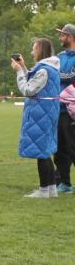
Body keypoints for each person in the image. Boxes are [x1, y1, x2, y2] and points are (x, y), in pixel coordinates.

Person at [13, 38, 61, 198]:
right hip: (47, 113)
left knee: (42, 153)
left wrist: (19, 71)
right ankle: (51, 189)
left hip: (40, 114)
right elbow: (34, 81)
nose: (32, 52)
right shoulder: (49, 68)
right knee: (45, 151)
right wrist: (24, 67)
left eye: (34, 48)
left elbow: (28, 89)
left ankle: (43, 190)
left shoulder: (44, 70)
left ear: (40, 49)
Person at [54, 24, 75, 193]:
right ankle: (62, 181)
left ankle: (64, 182)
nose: (60, 38)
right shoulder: (59, 57)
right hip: (58, 108)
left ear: (69, 36)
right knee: (61, 147)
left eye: (62, 35)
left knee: (69, 146)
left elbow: (69, 78)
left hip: (71, 110)